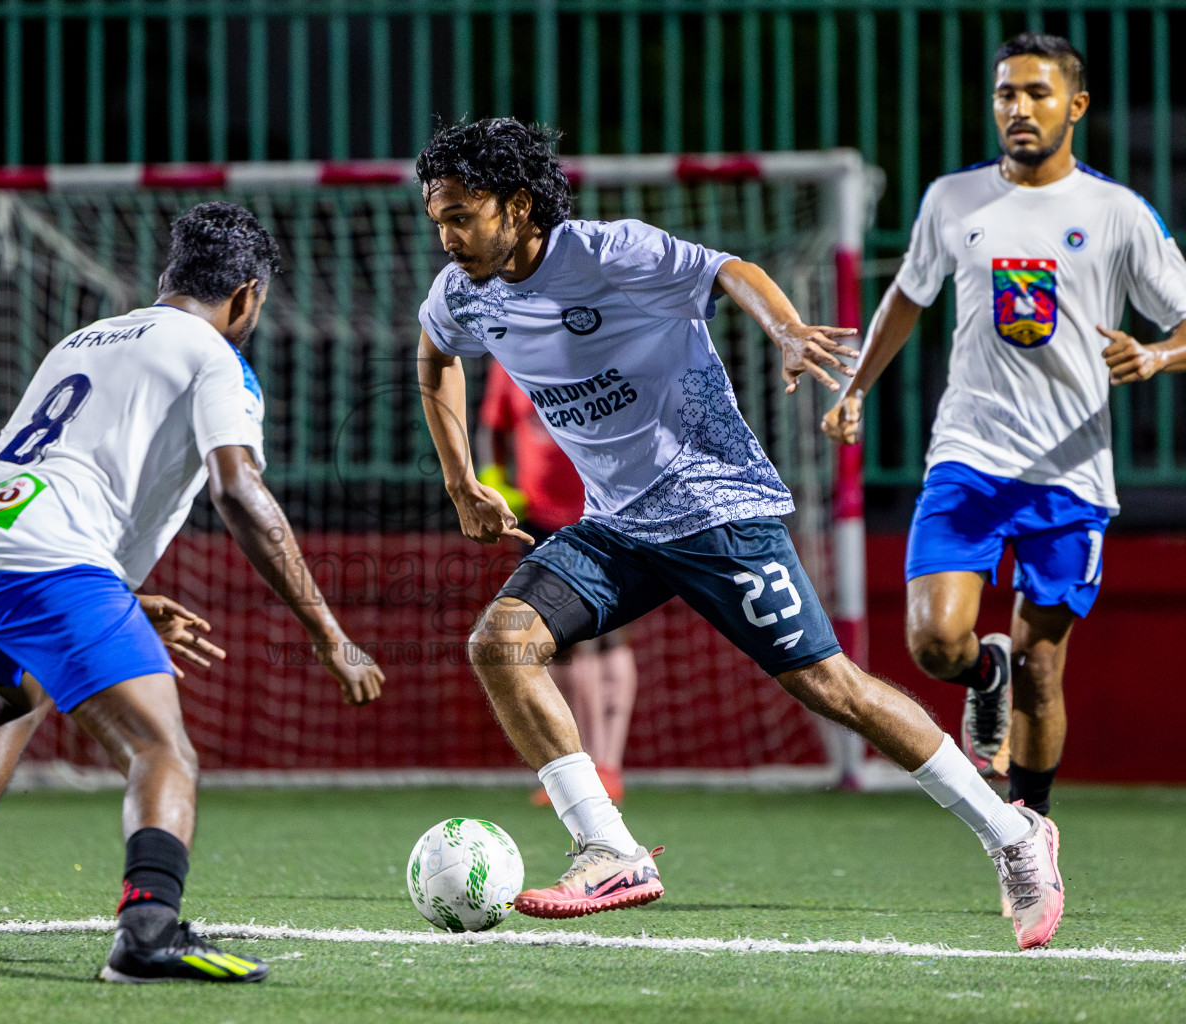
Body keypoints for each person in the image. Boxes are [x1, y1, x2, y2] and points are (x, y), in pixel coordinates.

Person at [415, 117, 1062, 950]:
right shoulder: (462, 292)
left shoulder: (612, 253)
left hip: (718, 510)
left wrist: (789, 329)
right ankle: (609, 848)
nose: (448, 235)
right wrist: (461, 480)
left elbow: (731, 269)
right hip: (616, 526)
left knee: (831, 689)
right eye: (439, 216)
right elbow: (436, 357)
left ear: (515, 205)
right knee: (502, 643)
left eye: (462, 213)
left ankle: (1014, 835)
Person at [0, 202, 385, 983]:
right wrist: (328, 631)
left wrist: (116, 598)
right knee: (161, 748)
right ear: (249, 296)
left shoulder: (84, 338)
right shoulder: (217, 357)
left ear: (168, 277)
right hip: (43, 567)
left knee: (20, 690)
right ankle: (149, 930)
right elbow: (239, 491)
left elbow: (68, 472)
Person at [822, 34, 1186, 824]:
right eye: (1005, 95)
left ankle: (1031, 831)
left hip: (1072, 472)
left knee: (1042, 664)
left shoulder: (1116, 213)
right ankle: (981, 677)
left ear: (1076, 107)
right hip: (969, 457)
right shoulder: (952, 200)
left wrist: (1158, 358)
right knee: (934, 643)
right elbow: (909, 297)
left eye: (1037, 94)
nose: (1018, 109)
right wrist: (856, 388)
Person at [475, 359, 637, 805]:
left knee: (608, 637)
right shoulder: (507, 361)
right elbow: (491, 428)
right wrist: (494, 484)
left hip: (603, 514)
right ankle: (583, 766)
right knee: (563, 645)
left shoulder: (595, 350)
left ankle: (608, 766)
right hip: (541, 520)